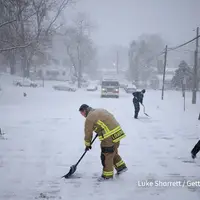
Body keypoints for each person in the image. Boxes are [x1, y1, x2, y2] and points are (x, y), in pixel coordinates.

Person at [79, 104, 127, 180]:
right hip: (118, 133)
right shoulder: (100, 110)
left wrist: (87, 144)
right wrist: (100, 129)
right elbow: (107, 120)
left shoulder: (89, 118)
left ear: (84, 110)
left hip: (109, 136)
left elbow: (88, 133)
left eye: (82, 113)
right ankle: (121, 167)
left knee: (106, 155)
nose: (82, 115)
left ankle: (107, 176)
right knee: (112, 151)